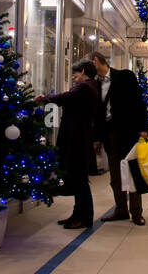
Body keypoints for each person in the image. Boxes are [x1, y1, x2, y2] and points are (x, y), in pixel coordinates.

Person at [36, 61, 101, 230]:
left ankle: (84, 217)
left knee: (79, 179)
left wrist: (44, 98)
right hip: (78, 136)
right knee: (78, 178)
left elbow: (64, 97)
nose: (73, 77)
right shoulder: (90, 86)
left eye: (75, 73)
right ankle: (78, 214)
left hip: (77, 138)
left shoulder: (85, 87)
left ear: (84, 71)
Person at [89, 52, 148, 226]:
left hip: (128, 132)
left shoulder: (124, 76)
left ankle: (136, 212)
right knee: (115, 174)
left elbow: (139, 102)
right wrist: (97, 139)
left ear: (96, 61)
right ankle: (121, 209)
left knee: (131, 171)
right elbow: (97, 114)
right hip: (108, 134)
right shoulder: (94, 83)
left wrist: (143, 128)